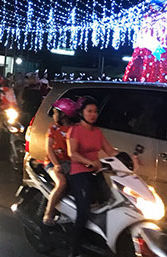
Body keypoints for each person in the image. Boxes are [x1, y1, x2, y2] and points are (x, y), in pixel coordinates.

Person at [67, 96, 118, 257]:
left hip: (96, 173)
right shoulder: (75, 130)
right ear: (81, 113)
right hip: (79, 174)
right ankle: (73, 249)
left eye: (95, 111)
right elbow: (72, 153)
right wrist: (88, 162)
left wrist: (129, 159)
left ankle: (96, 238)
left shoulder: (97, 132)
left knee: (109, 202)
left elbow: (111, 151)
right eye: (89, 111)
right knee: (84, 209)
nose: (93, 114)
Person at [42, 97, 78, 225]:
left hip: (69, 164)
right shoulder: (53, 129)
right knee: (62, 183)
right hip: (52, 163)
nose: (53, 114)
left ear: (63, 115)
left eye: (55, 112)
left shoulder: (75, 130)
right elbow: (48, 149)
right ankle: (48, 213)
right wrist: (56, 165)